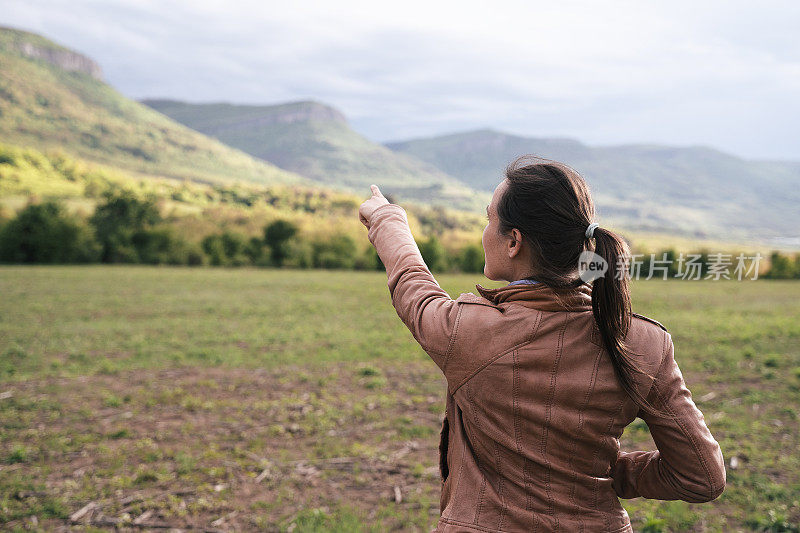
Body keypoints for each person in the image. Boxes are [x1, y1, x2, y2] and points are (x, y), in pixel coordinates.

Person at [358, 156, 726, 532]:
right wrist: (612, 472)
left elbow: (414, 288)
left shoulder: (470, 332)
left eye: (490, 220)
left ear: (514, 240)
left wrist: (388, 219)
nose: (485, 231)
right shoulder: (645, 343)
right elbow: (701, 477)